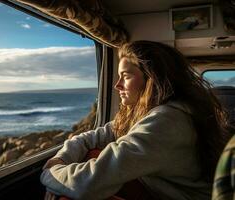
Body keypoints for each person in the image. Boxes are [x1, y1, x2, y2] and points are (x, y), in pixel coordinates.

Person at [40, 41, 232, 200]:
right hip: (155, 190)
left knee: (68, 195)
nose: (117, 85)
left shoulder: (166, 121)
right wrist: (61, 158)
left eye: (126, 76)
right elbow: (92, 137)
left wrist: (50, 174)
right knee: (93, 154)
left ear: (152, 79)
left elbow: (88, 182)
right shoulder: (147, 113)